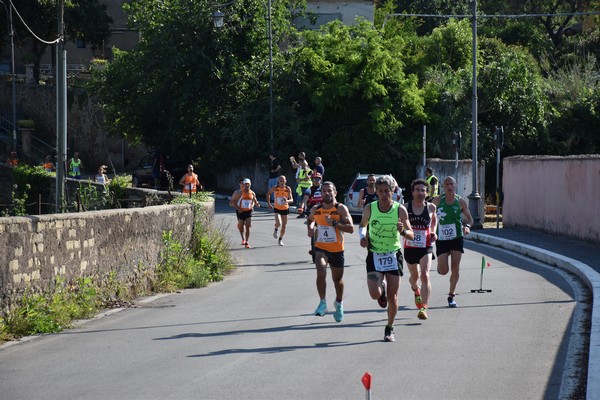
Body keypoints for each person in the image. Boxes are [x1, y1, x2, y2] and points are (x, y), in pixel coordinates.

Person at [358, 175, 414, 342]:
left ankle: (389, 327)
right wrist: (362, 236)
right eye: (380, 191)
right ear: (376, 191)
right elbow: (362, 225)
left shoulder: (400, 210)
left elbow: (411, 234)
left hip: (393, 255)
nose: (383, 194)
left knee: (393, 296)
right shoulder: (370, 208)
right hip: (374, 254)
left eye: (386, 191)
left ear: (392, 191)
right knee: (375, 294)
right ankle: (380, 289)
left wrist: (403, 231)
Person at [306, 181, 354, 322]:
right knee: (321, 271)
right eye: (324, 191)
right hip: (321, 247)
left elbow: (351, 228)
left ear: (335, 193)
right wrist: (310, 227)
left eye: (329, 191)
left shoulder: (340, 209)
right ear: (321, 193)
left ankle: (339, 303)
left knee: (337, 281)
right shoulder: (316, 209)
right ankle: (322, 302)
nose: (327, 193)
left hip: (337, 250)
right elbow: (310, 220)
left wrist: (334, 223)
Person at [432, 176, 474, 308]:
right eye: (446, 184)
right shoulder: (437, 200)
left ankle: (451, 295)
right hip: (442, 239)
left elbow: (470, 219)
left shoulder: (460, 201)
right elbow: (430, 217)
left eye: (451, 184)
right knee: (444, 271)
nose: (449, 186)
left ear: (455, 186)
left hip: (456, 237)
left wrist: (467, 226)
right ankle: (440, 266)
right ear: (443, 187)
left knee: (455, 266)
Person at [403, 179, 437, 320]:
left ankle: (424, 307)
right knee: (414, 277)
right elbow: (399, 223)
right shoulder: (405, 207)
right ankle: (415, 289)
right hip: (410, 247)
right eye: (417, 190)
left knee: (425, 275)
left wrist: (434, 231)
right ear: (412, 192)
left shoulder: (431, 208)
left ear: (427, 192)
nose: (420, 192)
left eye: (423, 190)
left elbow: (434, 220)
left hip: (425, 246)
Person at [230, 178, 260, 248]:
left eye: (248, 184)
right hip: (241, 211)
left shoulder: (252, 193)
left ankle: (246, 242)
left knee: (248, 226)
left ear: (250, 185)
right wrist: (238, 208)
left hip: (248, 211)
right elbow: (232, 202)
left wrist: (257, 204)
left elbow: (255, 201)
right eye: (245, 184)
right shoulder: (239, 193)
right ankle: (242, 236)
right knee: (241, 226)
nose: (246, 186)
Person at [265, 175, 294, 246]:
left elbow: (292, 200)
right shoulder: (275, 187)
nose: (282, 182)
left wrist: (287, 200)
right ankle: (276, 229)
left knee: (284, 226)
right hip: (277, 208)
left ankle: (280, 239)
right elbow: (268, 194)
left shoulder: (288, 189)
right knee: (279, 223)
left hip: (285, 209)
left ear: (285, 181)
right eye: (280, 181)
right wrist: (268, 203)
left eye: (283, 181)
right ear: (278, 181)